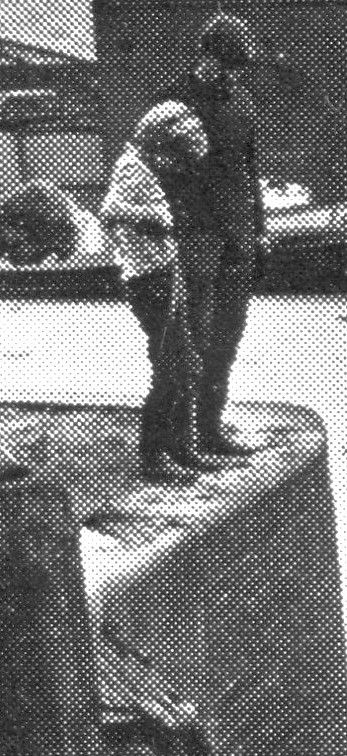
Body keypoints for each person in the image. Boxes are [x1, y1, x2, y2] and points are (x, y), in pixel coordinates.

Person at [167, 13, 268, 463]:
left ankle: (210, 431)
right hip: (197, 238)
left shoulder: (242, 102)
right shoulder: (176, 103)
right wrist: (205, 229)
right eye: (223, 63)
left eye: (236, 66)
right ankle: (181, 441)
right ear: (204, 54)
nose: (228, 74)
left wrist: (258, 231)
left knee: (227, 339)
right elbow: (172, 179)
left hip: (239, 237)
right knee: (193, 340)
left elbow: (249, 173)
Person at [100, 101, 216, 483]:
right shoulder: (131, 167)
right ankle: (154, 455)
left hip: (163, 271)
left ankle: (181, 447)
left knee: (187, 365)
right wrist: (160, 221)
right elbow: (111, 211)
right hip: (147, 279)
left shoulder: (144, 166)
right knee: (172, 368)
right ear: (159, 140)